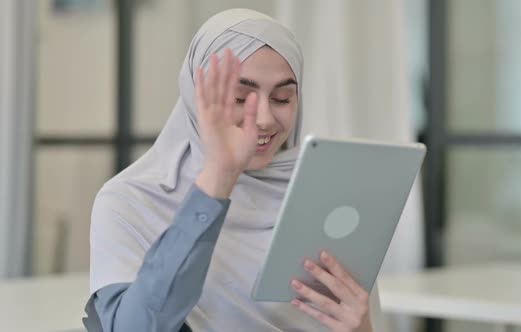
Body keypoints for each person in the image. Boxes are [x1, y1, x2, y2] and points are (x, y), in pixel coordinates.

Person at [83, 8, 373, 332]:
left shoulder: (321, 194)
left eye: (281, 98)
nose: (262, 118)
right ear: (196, 96)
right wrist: (219, 176)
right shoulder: (129, 200)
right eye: (241, 98)